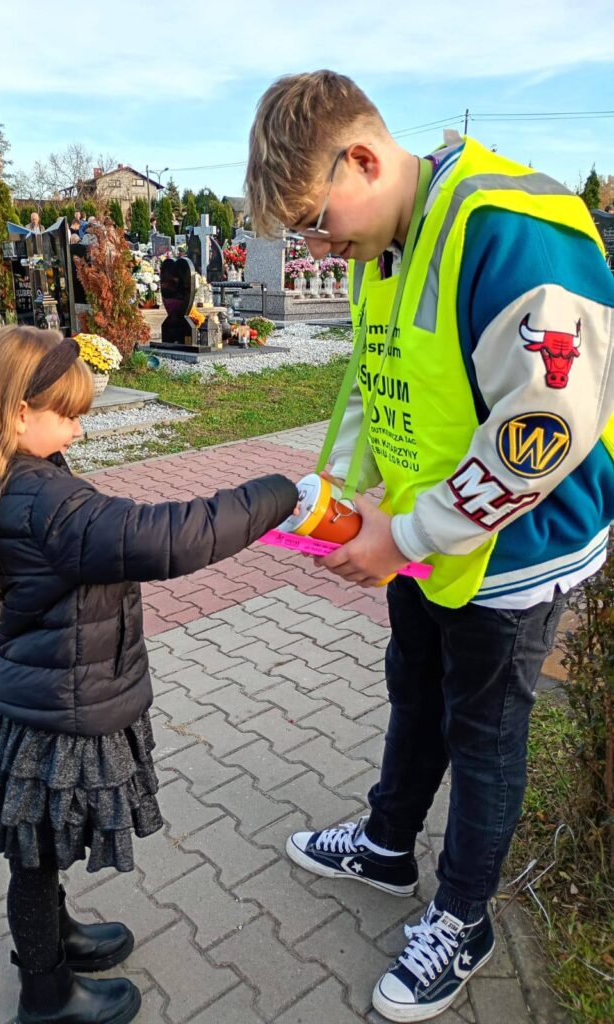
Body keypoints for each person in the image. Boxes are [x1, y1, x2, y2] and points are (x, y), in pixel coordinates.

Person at [245, 70, 614, 1022]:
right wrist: (360, 497)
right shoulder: (390, 243)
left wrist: (401, 532)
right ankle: (385, 843)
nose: (323, 248)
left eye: (318, 222)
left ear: (362, 159)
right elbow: (388, 379)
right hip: (423, 534)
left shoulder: (509, 228)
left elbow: (544, 430)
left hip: (514, 546)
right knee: (414, 689)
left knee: (486, 736)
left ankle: (462, 918)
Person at [0, 325, 297, 1024]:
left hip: (38, 687)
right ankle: (46, 995)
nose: (77, 431)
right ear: (15, 414)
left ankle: (55, 939)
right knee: (33, 856)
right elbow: (166, 537)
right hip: (59, 704)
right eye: (66, 415)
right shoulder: (46, 505)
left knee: (36, 842)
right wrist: (277, 492)